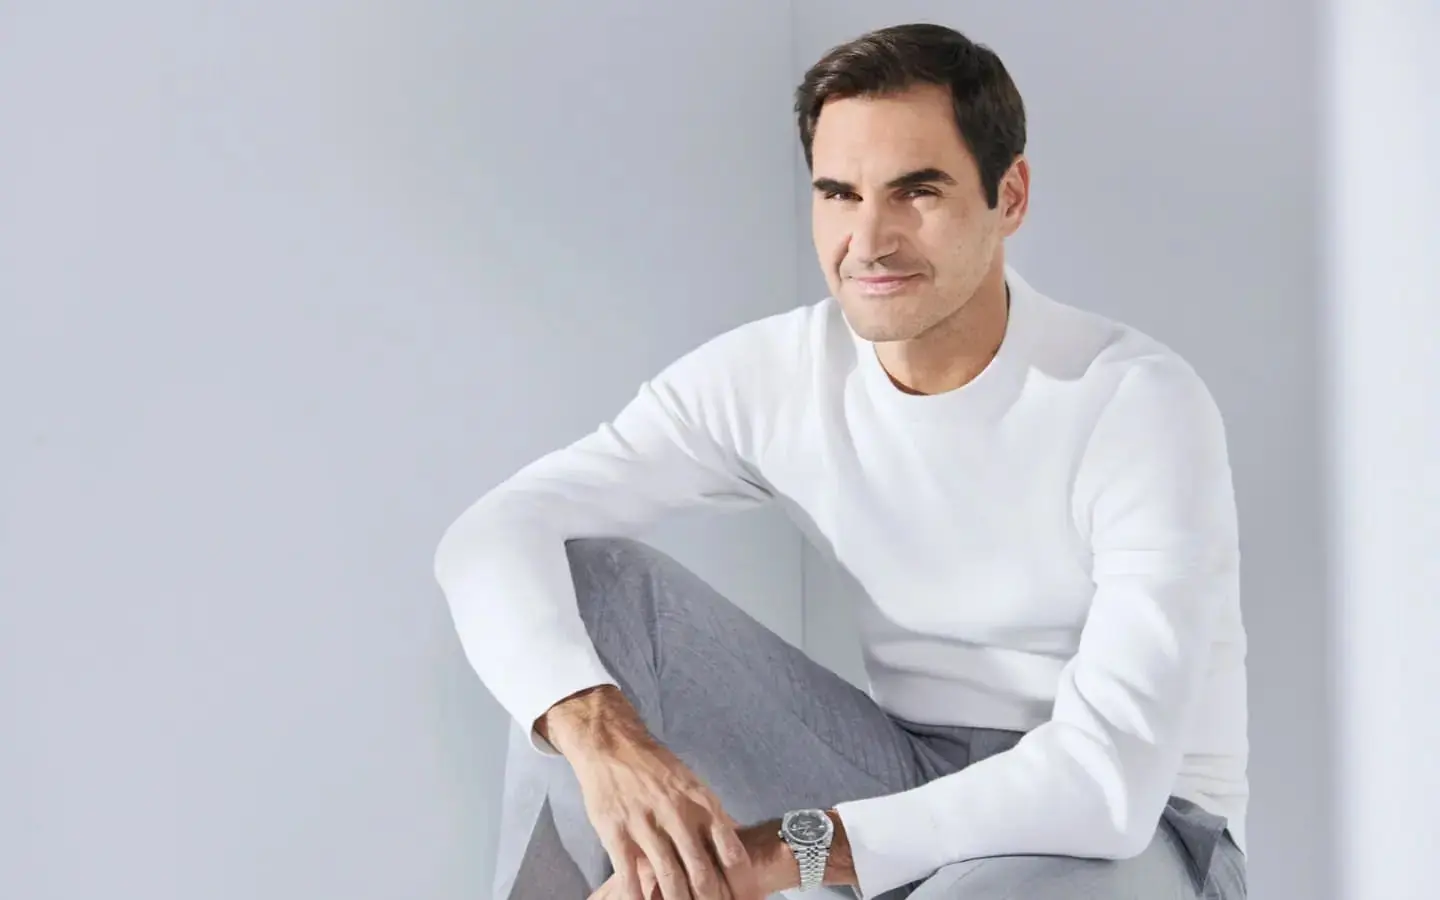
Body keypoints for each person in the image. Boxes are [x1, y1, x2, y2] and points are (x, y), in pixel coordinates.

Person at [433, 21, 1248, 900]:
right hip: (898, 777)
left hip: (1142, 838)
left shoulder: (1134, 403)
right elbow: (492, 534)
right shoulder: (776, 373)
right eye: (839, 193)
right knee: (589, 593)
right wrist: (597, 733)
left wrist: (775, 856)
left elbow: (1105, 787)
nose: (869, 238)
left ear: (1008, 196)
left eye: (916, 191)